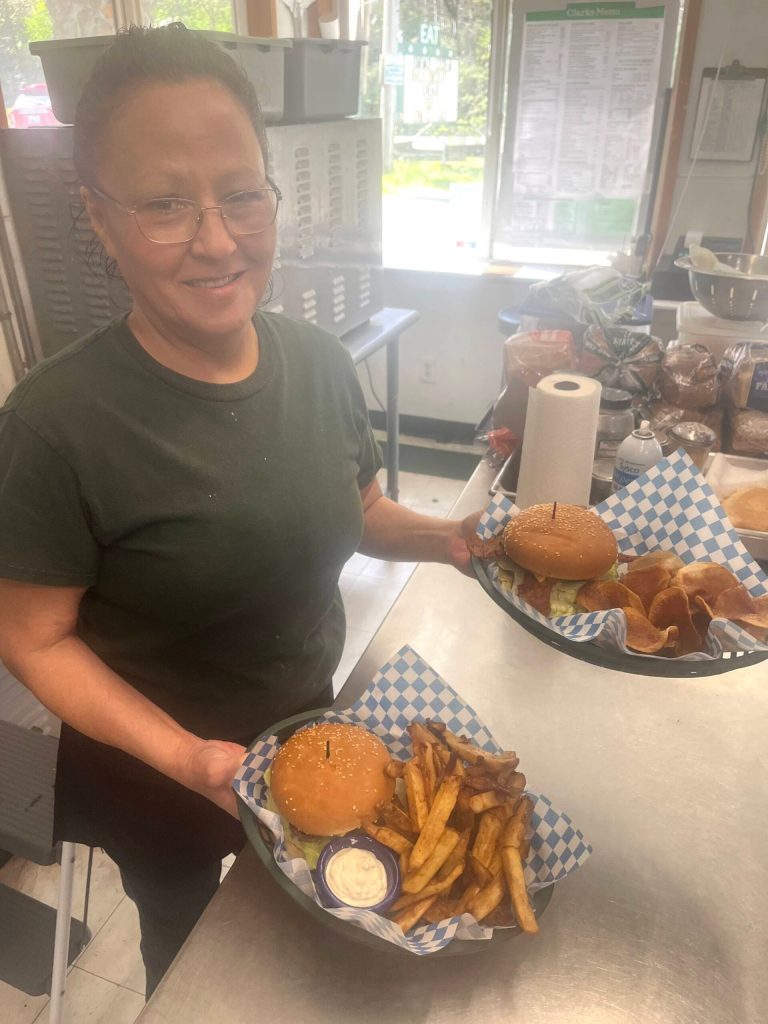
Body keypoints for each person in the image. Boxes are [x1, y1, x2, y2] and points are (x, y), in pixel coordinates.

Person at [0, 24, 479, 998]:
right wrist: (186, 758)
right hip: (154, 778)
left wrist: (450, 536)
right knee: (199, 965)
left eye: (240, 194)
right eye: (166, 204)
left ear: (274, 195)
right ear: (98, 216)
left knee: (315, 959)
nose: (216, 238)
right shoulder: (55, 424)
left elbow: (359, 507)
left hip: (316, 734)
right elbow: (32, 636)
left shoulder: (319, 363)